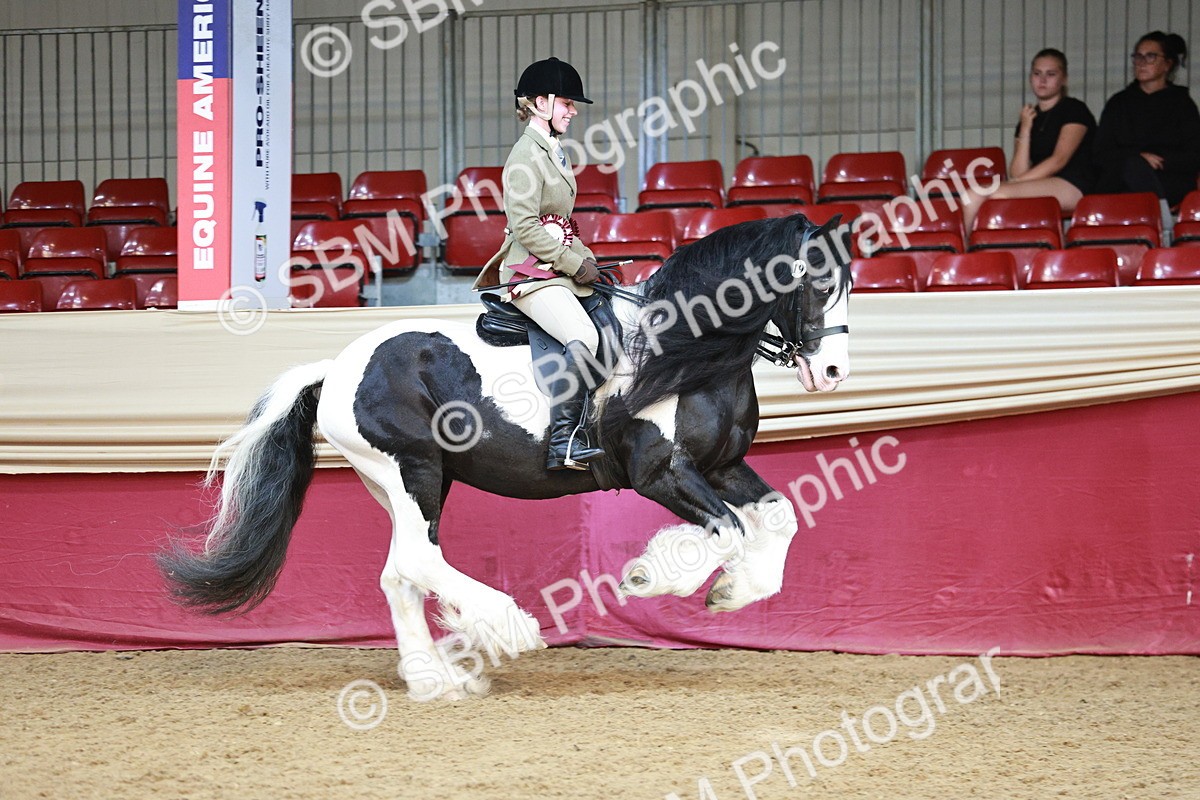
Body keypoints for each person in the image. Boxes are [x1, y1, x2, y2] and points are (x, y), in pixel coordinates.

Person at [474, 57, 606, 471]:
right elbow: (527, 227)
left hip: (556, 269)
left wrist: (587, 260)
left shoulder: (554, 150)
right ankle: (564, 442)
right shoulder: (524, 156)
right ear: (539, 103)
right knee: (583, 333)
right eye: (567, 102)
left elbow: (560, 224)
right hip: (530, 275)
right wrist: (572, 261)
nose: (573, 110)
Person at [960, 49, 1096, 232]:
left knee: (1000, 194)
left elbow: (1058, 160)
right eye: (1037, 74)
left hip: (1073, 183)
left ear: (1064, 79)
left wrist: (1016, 183)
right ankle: (965, 250)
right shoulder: (1029, 117)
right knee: (971, 195)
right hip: (1038, 182)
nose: (1042, 80)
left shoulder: (1074, 109)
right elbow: (1017, 171)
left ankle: (995, 250)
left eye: (1051, 74)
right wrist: (1025, 128)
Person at [1093, 32, 1200, 237]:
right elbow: (1100, 152)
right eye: (1138, 57)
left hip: (1167, 177)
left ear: (1167, 64)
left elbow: (1194, 155)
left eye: (1150, 57)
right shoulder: (1119, 103)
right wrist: (1138, 158)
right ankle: (1163, 225)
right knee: (1131, 165)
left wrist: (1159, 161)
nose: (1142, 63)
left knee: (1132, 172)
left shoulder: (1182, 104)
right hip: (1121, 177)